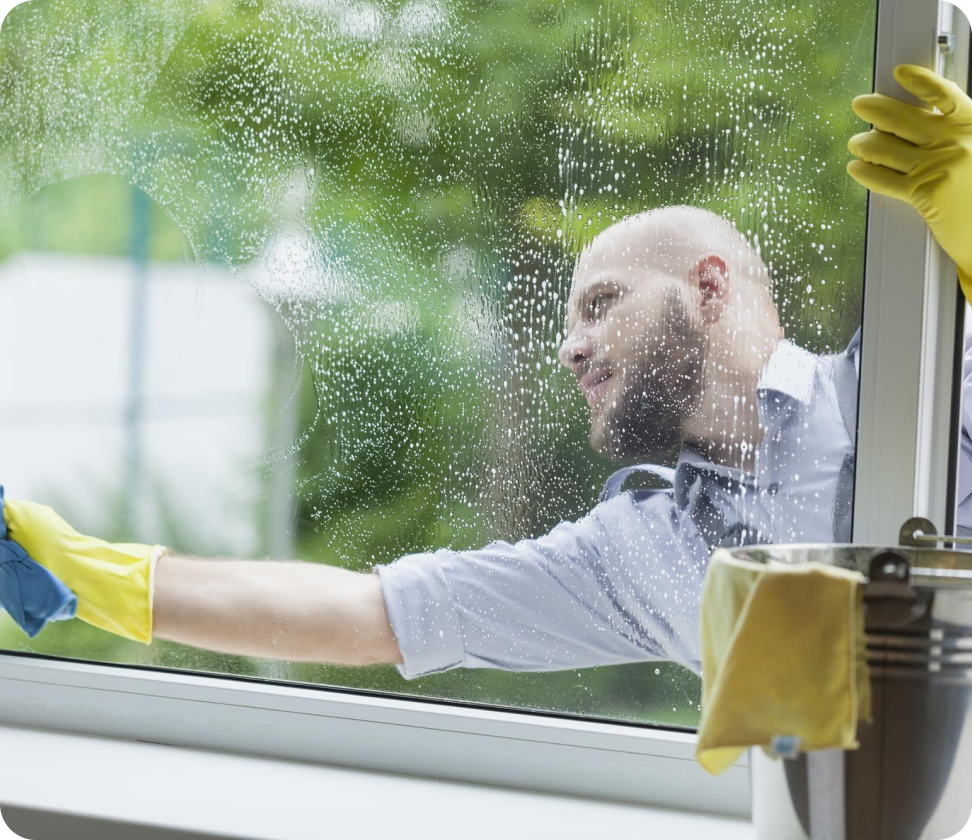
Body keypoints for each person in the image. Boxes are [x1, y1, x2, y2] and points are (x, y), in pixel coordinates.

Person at [3, 65, 971, 679]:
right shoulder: (639, 557)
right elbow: (363, 613)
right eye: (567, 321)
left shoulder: (913, 385)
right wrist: (85, 573)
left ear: (709, 288)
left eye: (601, 303)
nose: (570, 347)